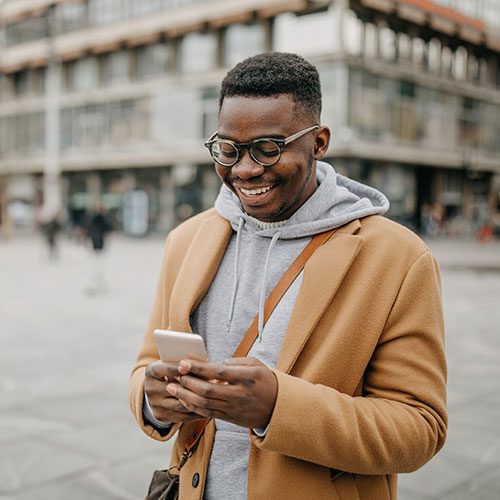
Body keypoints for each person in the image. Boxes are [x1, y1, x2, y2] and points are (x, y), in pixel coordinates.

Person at [129, 52, 447, 499]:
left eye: (268, 148)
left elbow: (419, 429)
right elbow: (146, 366)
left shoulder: (399, 258)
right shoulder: (187, 240)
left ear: (319, 142)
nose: (244, 169)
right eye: (228, 149)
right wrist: (152, 401)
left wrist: (277, 407)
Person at [85, 204, 112, 294]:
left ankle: (95, 284)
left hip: (94, 245)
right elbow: (109, 229)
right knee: (98, 266)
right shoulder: (102, 219)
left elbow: (88, 232)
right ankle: (97, 284)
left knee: (95, 265)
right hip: (99, 245)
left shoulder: (92, 220)